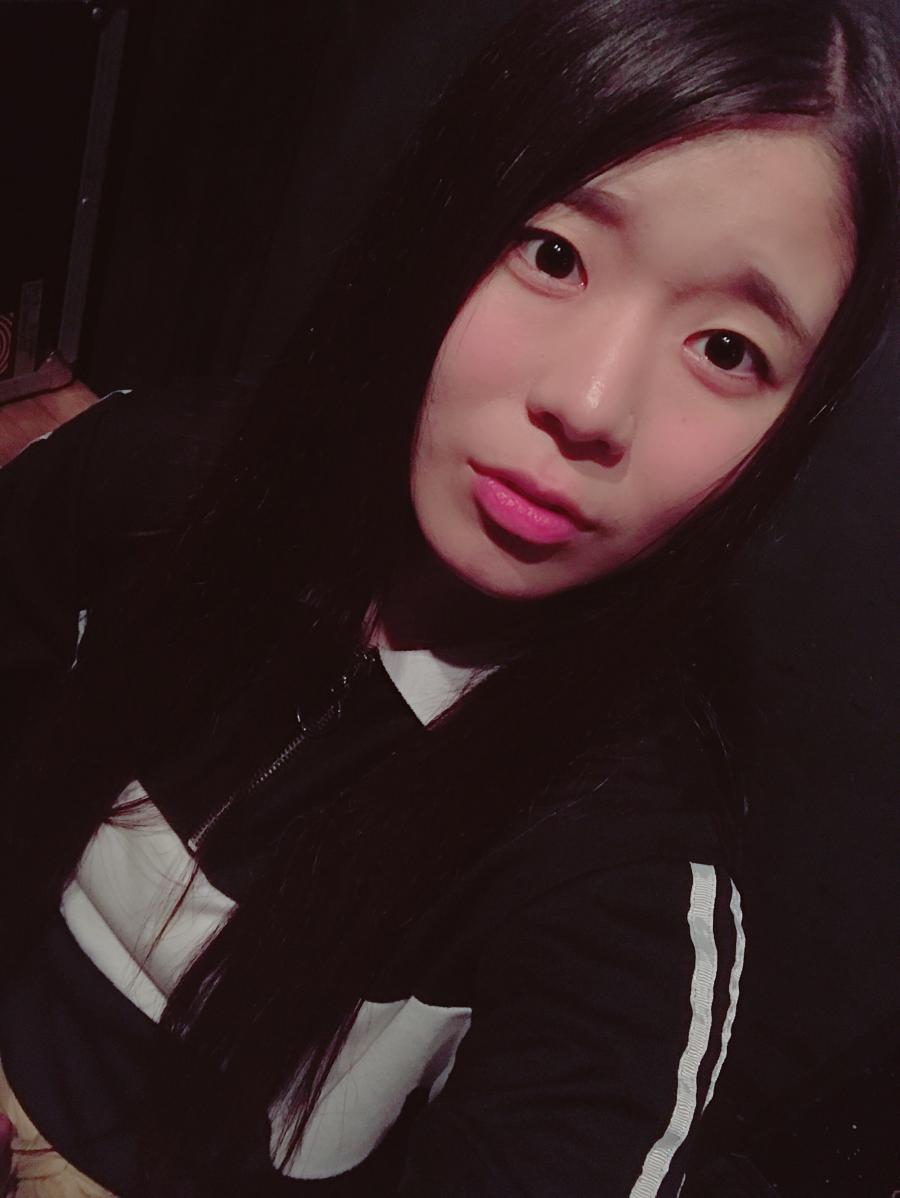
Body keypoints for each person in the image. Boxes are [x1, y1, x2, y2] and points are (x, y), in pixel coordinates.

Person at [0, 0, 896, 1195]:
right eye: (554, 254)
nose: (589, 402)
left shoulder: (623, 876)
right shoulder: (160, 482)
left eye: (728, 349)